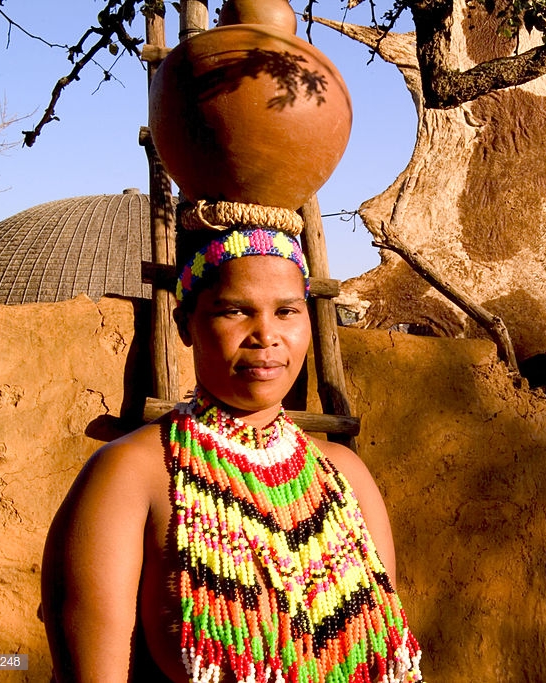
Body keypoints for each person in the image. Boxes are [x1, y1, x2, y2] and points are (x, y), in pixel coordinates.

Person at [41, 219, 422, 683]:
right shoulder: (132, 473)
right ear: (185, 324)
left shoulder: (344, 473)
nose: (266, 335)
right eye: (235, 311)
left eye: (287, 311)